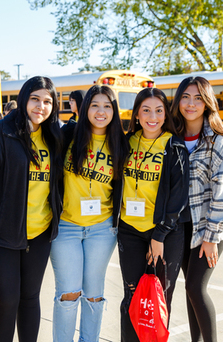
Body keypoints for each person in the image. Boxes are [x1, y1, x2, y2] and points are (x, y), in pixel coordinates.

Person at [0, 76, 63, 342]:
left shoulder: (55, 135)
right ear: (24, 99)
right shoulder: (1, 132)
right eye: (35, 99)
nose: (41, 106)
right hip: (2, 234)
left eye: (48, 101)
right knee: (6, 300)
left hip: (40, 234)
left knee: (30, 298)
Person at [51, 85, 129, 342]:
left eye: (107, 106)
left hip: (101, 229)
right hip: (66, 226)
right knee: (69, 293)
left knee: (94, 294)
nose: (101, 111)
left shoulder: (120, 141)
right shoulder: (69, 135)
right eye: (95, 105)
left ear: (114, 111)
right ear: (85, 108)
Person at [117, 88, 190, 341]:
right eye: (146, 110)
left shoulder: (174, 145)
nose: (153, 116)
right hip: (130, 230)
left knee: (159, 298)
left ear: (165, 114)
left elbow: (178, 197)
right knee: (132, 296)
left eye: (159, 110)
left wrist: (158, 235)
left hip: (166, 233)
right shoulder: (126, 143)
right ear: (136, 114)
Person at [172, 76, 223, 342]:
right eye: (186, 97)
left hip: (209, 227)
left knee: (195, 287)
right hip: (181, 227)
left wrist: (212, 237)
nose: (191, 104)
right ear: (178, 101)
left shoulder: (217, 143)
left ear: (207, 103)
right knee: (190, 291)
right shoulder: (171, 138)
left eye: (198, 98)